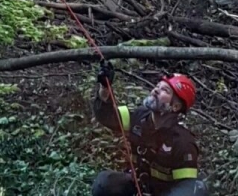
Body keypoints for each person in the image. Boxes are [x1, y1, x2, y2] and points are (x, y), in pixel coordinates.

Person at [90, 62, 210, 196]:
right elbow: (107, 116)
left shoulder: (183, 142)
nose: (156, 90)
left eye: (165, 90)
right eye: (157, 86)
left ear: (175, 107)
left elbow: (188, 186)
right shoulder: (139, 116)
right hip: (139, 186)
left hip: (166, 193)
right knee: (104, 183)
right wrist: (105, 88)